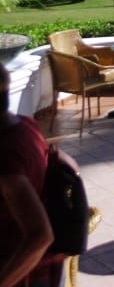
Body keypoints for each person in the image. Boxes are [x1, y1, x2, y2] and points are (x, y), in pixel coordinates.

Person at [0, 63, 60, 287]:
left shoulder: (5, 155)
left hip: (21, 275)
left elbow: (40, 236)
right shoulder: (26, 126)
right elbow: (67, 164)